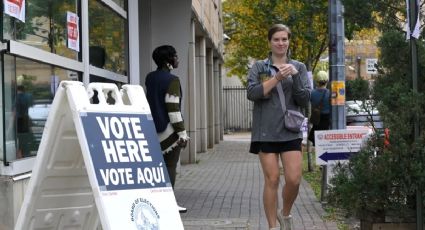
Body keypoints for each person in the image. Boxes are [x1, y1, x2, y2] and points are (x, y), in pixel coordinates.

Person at [247, 24, 311, 230]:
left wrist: (294, 76)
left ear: (289, 41)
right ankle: (272, 227)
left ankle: (285, 213)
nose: (281, 43)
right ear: (270, 42)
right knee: (272, 179)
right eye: (276, 39)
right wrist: (277, 78)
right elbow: (253, 93)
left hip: (290, 129)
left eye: (284, 39)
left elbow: (304, 99)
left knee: (294, 179)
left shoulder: (299, 67)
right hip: (265, 131)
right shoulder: (259, 67)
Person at [145, 45, 189, 213]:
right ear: (168, 60)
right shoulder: (172, 80)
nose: (177, 59)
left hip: (152, 129)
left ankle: (156, 201)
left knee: (157, 168)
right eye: (175, 56)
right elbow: (173, 108)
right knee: (170, 167)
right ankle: (169, 203)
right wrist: (182, 133)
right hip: (169, 131)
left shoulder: (150, 77)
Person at [308, 70, 330, 146]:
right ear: (327, 81)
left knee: (318, 144)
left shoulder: (312, 93)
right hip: (328, 121)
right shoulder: (330, 93)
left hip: (317, 120)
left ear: (316, 81)